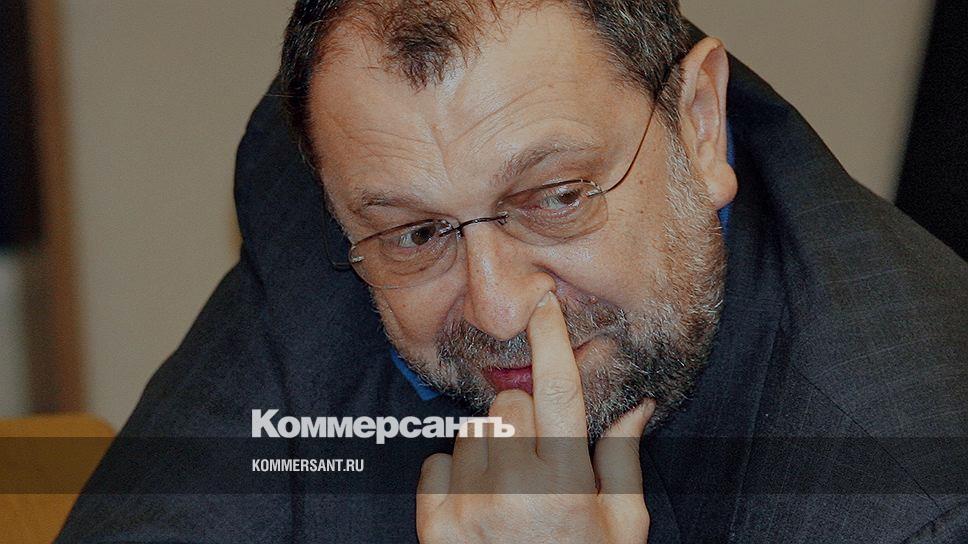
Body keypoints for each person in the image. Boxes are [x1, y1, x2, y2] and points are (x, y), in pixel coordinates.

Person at [58, 1, 968, 542]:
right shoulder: (364, 177)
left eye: (557, 197)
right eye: (419, 235)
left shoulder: (918, 490)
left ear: (697, 123)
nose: (497, 312)